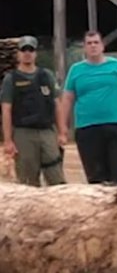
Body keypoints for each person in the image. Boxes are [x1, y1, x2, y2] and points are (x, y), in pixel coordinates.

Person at [59, 30, 117, 184]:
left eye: (96, 42)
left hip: (116, 125)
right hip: (87, 128)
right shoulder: (76, 70)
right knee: (96, 177)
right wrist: (63, 127)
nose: (93, 46)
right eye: (89, 43)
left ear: (102, 46)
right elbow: (67, 98)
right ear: (84, 47)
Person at [1, 35, 67, 186]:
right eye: (23, 50)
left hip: (47, 132)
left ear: (36, 53)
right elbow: (6, 110)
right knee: (27, 181)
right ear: (18, 54)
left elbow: (57, 104)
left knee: (56, 178)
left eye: (31, 50)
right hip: (23, 134)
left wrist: (62, 132)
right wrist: (8, 140)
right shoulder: (11, 79)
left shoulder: (47, 76)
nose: (27, 53)